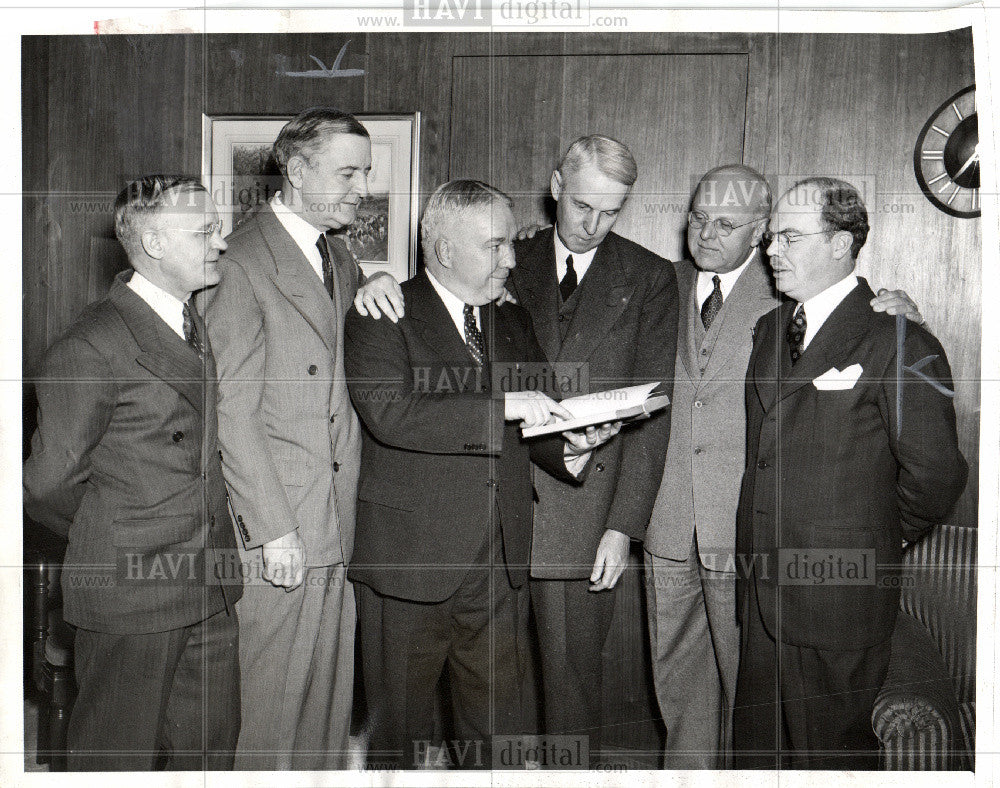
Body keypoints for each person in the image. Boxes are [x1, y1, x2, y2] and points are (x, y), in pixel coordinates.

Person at [644, 165, 926, 768]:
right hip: (668, 524)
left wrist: (875, 531)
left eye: (727, 223)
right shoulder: (652, 285)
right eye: (698, 218)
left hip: (754, 539)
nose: (706, 233)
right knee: (682, 696)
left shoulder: (786, 299)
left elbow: (857, 323)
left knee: (757, 707)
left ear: (759, 230)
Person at [344, 179, 620, 770]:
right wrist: (507, 408)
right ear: (445, 252)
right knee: (401, 739)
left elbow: (536, 420)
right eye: (495, 247)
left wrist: (571, 447)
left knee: (499, 734)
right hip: (409, 562)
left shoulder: (511, 321)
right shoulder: (381, 312)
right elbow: (393, 414)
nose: (513, 259)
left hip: (500, 559)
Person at [733, 177, 967, 769]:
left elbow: (936, 474)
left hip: (839, 597)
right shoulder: (768, 331)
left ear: (841, 244)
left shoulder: (900, 338)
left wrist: (873, 536)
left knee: (831, 762)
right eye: (770, 235)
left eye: (789, 236)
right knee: (758, 758)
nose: (770, 250)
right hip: (762, 589)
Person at [199, 107, 404, 770]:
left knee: (323, 709)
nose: (361, 187)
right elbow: (229, 409)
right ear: (295, 169)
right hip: (279, 526)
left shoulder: (336, 254)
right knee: (269, 715)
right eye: (348, 172)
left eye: (365, 172)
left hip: (333, 519)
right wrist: (272, 528)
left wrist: (374, 283)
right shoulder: (242, 262)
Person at [24, 175, 241, 770]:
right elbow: (46, 484)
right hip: (131, 593)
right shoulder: (91, 344)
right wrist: (120, 531)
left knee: (209, 755)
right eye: (204, 231)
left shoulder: (189, 323)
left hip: (210, 585)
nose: (220, 243)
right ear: (153, 243)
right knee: (117, 762)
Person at [508, 135, 677, 762]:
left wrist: (622, 528)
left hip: (585, 517)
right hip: (493, 510)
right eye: (582, 206)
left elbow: (656, 416)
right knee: (492, 689)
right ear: (556, 186)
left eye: (611, 212)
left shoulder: (652, 278)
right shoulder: (504, 255)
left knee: (571, 695)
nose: (593, 225)